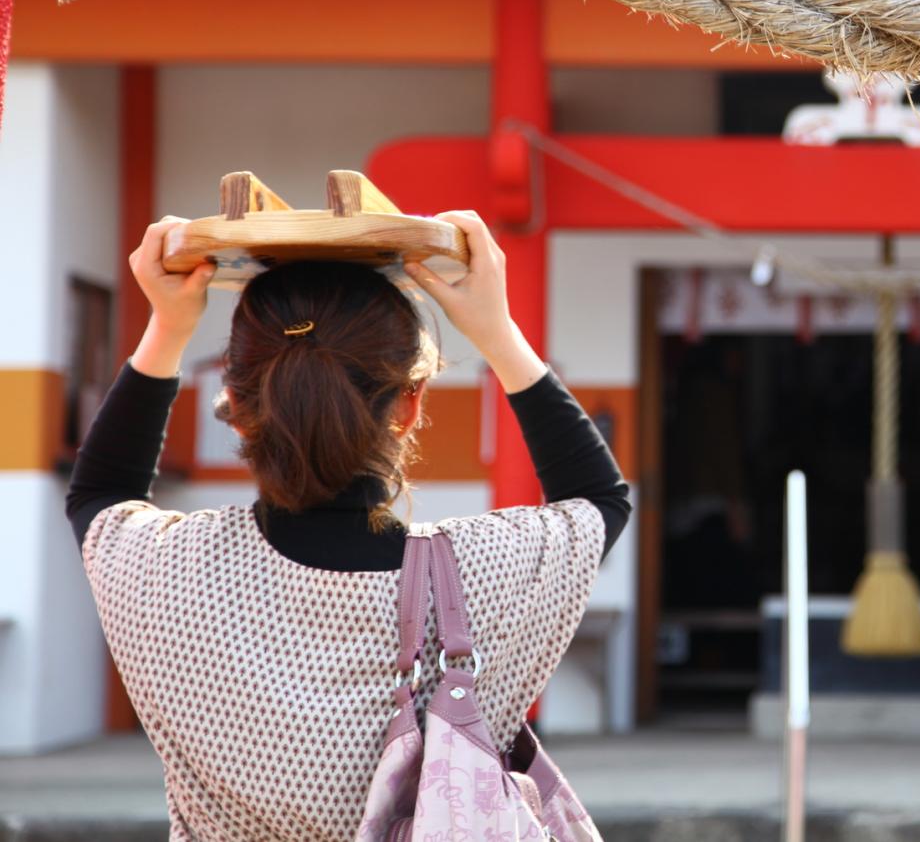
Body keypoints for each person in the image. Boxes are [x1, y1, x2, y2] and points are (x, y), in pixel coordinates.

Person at [68, 212, 630, 840]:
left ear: (239, 407)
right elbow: (598, 497)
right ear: (411, 403)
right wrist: (494, 330)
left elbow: (101, 491)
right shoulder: (485, 573)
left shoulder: (166, 570)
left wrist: (167, 328)